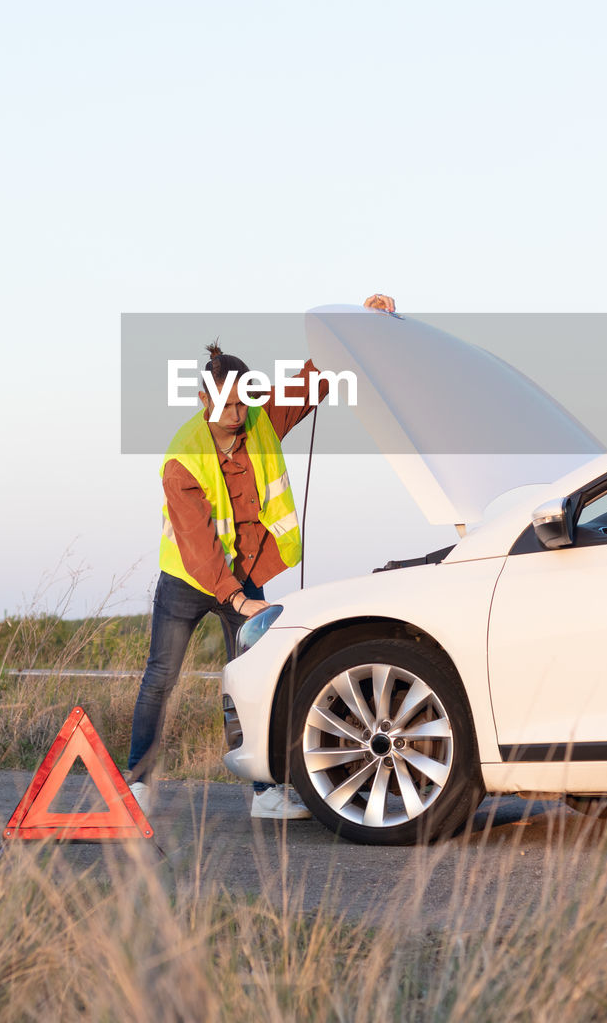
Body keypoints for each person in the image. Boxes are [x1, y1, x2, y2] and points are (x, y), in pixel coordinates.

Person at [127, 293, 396, 819]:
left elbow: (310, 383)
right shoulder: (182, 458)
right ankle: (137, 784)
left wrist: (359, 325)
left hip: (246, 573)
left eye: (243, 402)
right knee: (161, 675)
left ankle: (265, 794)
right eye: (227, 405)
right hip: (188, 579)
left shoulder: (260, 419)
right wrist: (238, 600)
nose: (238, 413)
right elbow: (198, 544)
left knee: (253, 679)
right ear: (205, 401)